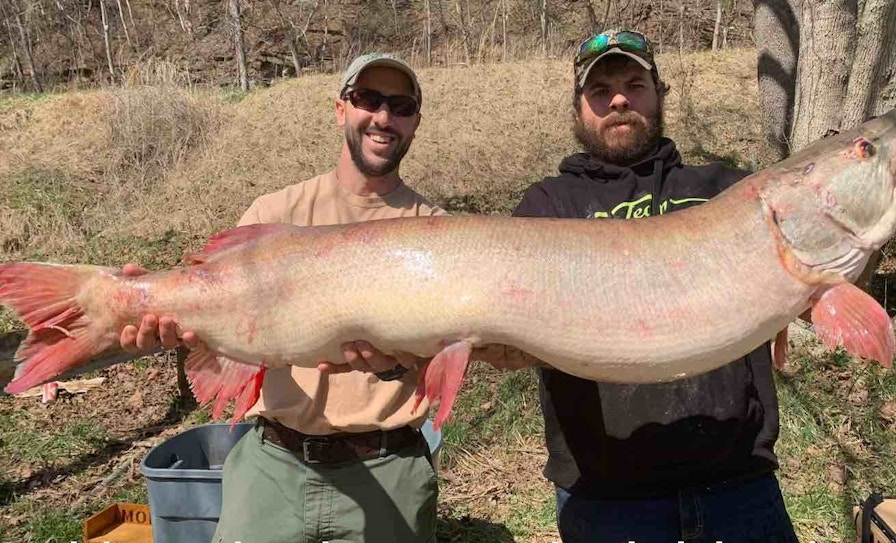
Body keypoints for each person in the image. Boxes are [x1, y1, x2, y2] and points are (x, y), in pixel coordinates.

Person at [120, 53, 444, 543]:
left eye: (401, 107)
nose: (383, 117)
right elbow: (216, 320)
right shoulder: (273, 212)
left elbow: (451, 356)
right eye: (368, 99)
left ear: (416, 122)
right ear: (340, 109)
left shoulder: (439, 232)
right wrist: (157, 316)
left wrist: (395, 367)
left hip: (389, 467)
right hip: (272, 465)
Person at [492, 29, 801, 542]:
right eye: (600, 91)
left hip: (739, 485)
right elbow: (507, 338)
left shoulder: (726, 191)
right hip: (607, 499)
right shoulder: (546, 207)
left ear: (659, 94)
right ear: (578, 109)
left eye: (634, 85)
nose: (619, 100)